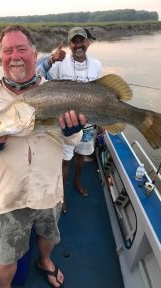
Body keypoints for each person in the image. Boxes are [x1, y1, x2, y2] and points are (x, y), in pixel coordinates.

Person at [0, 25, 86, 288]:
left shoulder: (56, 91)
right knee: (5, 256)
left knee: (48, 236)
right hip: (9, 197)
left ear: (35, 53)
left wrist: (71, 131)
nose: (14, 56)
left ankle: (44, 260)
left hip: (48, 190)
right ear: (0, 56)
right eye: (8, 50)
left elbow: (72, 142)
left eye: (21, 49)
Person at [37, 27, 103, 213]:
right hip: (64, 125)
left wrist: (103, 124)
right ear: (69, 45)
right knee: (65, 160)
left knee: (81, 155)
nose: (78, 45)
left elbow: (101, 94)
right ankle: (62, 195)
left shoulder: (97, 65)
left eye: (82, 40)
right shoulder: (59, 63)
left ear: (88, 42)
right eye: (74, 41)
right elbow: (37, 80)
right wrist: (50, 59)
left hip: (88, 123)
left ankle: (77, 181)